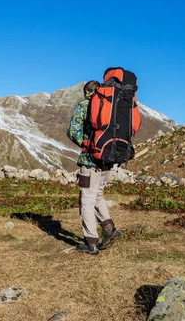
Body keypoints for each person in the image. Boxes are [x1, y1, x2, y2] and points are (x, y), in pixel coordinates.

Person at [67, 81, 121, 255]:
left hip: (90, 161)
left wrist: (85, 144)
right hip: (107, 159)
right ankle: (109, 230)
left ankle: (91, 242)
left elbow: (72, 130)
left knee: (86, 202)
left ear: (86, 91)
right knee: (98, 196)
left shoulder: (85, 105)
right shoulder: (112, 106)